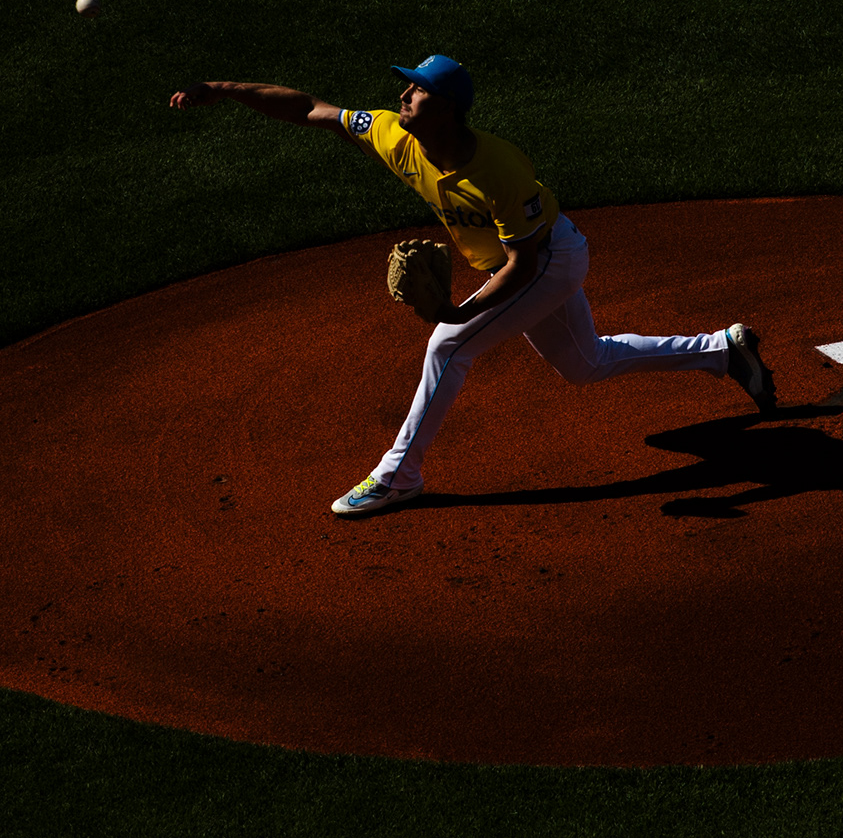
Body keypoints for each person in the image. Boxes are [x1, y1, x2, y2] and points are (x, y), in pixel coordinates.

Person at [169, 56, 776, 516]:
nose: (402, 96)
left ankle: (398, 476)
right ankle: (723, 350)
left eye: (416, 90)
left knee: (448, 346)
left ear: (446, 109)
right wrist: (220, 89)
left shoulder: (499, 168)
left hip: (547, 260)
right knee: (585, 363)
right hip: (524, 261)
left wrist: (460, 312)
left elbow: (524, 263)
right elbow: (309, 108)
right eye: (406, 87)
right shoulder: (393, 135)